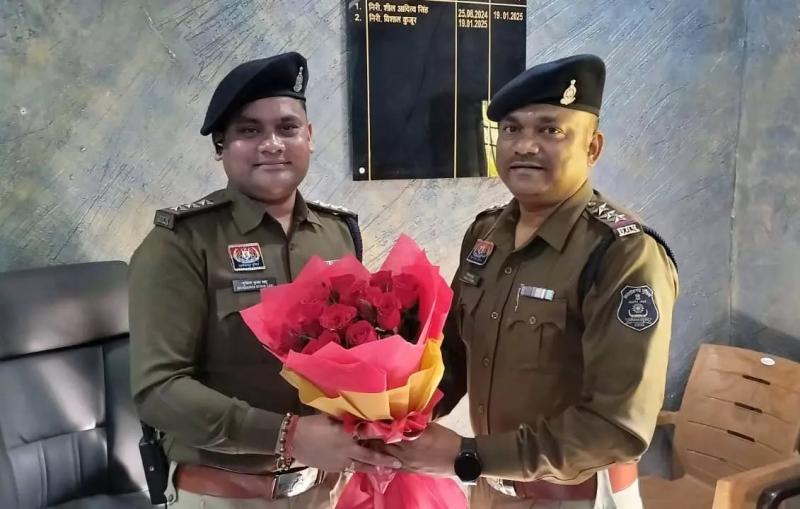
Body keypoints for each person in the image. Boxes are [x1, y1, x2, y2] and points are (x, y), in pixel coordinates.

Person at [387, 54, 679, 509]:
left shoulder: (622, 253)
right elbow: (454, 358)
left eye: (550, 130)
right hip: (489, 488)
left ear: (593, 148)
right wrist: (388, 417)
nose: (524, 145)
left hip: (575, 498)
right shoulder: (485, 234)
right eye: (511, 129)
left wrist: (467, 455)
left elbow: (616, 428)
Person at [129, 52, 399, 509]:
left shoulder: (338, 233)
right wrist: (286, 435)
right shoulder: (180, 243)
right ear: (221, 145)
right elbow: (159, 390)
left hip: (324, 491)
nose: (272, 144)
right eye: (249, 131)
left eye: (287, 128)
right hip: (224, 495)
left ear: (309, 136)